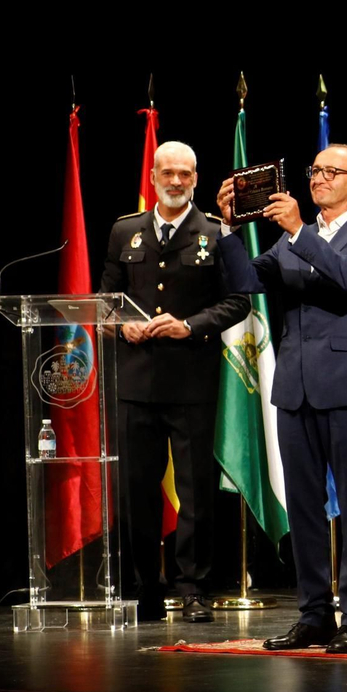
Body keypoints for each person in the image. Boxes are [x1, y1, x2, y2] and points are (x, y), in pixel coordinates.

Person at [215, 143, 347, 654]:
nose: (318, 179)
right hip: (295, 386)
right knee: (305, 509)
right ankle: (314, 615)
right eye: (314, 171)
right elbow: (249, 280)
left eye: (330, 172)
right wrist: (230, 228)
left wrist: (297, 232)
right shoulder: (302, 236)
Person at [100, 141, 250, 624]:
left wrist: (191, 325)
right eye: (168, 172)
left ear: (196, 178)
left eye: (185, 173)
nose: (176, 181)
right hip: (136, 381)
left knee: (195, 490)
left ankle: (192, 586)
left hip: (191, 381)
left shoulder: (215, 233)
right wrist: (119, 322)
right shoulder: (126, 231)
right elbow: (105, 296)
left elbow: (238, 301)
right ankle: (146, 587)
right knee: (137, 491)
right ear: (153, 178)